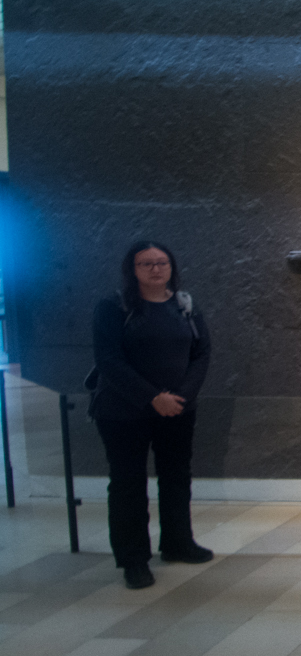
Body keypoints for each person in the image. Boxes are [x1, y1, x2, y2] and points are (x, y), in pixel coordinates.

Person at [92, 241, 213, 589]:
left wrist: (182, 397)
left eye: (161, 262)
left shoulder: (184, 305)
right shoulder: (113, 307)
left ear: (171, 267)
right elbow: (109, 360)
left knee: (176, 478)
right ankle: (133, 560)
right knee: (129, 484)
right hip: (123, 412)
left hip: (177, 410)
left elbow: (201, 353)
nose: (155, 269)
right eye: (146, 263)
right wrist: (151, 398)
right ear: (133, 269)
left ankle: (178, 543)